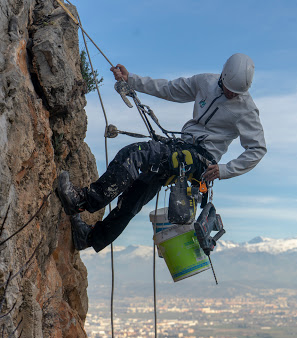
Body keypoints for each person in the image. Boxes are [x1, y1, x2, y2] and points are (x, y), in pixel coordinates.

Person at [57, 53, 266, 252]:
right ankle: (90, 238)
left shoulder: (246, 110)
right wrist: (132, 80)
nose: (232, 95)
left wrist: (225, 169)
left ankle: (83, 200)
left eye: (236, 93)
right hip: (183, 149)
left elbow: (257, 148)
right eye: (229, 89)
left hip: (201, 160)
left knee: (138, 154)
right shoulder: (206, 82)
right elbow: (170, 89)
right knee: (137, 192)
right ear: (223, 76)